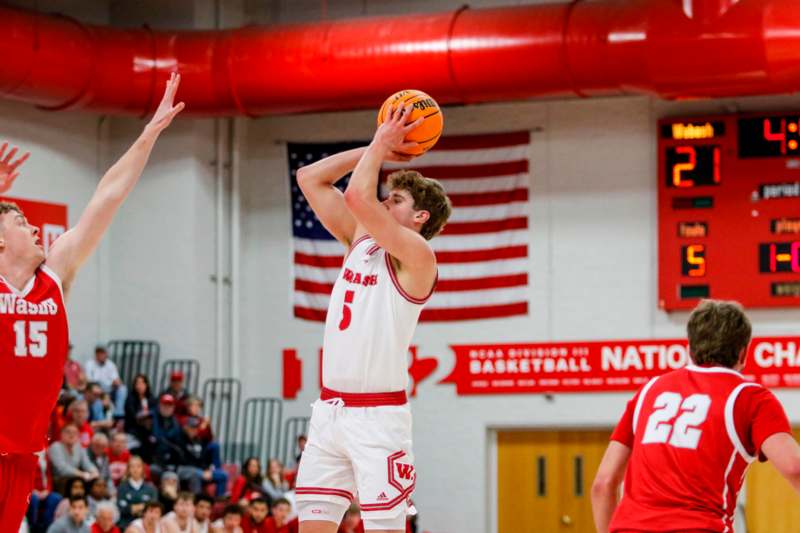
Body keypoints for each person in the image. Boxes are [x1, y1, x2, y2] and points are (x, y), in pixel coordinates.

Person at [0, 74, 184, 532]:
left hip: (21, 453)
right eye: (22, 221)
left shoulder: (54, 276)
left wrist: (148, 135)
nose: (34, 227)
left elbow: (107, 196)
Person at [294, 103, 451, 532]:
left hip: (378, 420)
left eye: (396, 199)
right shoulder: (360, 238)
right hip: (329, 411)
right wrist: (373, 149)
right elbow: (309, 178)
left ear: (420, 217)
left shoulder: (419, 257)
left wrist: (381, 147)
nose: (385, 200)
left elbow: (356, 196)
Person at [591, 299, 800, 532]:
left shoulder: (649, 391)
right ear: (743, 353)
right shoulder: (750, 398)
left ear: (689, 347)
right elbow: (795, 467)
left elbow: (603, 483)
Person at [84, 345, 127, 418]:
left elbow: (117, 380)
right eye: (99, 352)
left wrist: (116, 383)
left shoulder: (110, 364)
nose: (101, 355)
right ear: (96, 353)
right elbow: (90, 382)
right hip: (96, 389)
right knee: (97, 387)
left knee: (122, 388)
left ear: (106, 354)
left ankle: (119, 413)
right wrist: (105, 392)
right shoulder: (89, 364)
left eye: (103, 352)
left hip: (110, 389)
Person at [117, 456, 159, 529]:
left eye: (138, 466)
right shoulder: (122, 487)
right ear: (128, 469)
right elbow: (122, 509)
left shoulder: (151, 488)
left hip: (146, 525)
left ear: (143, 469)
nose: (135, 469)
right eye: (132, 466)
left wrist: (133, 508)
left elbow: (153, 509)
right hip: (126, 524)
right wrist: (143, 506)